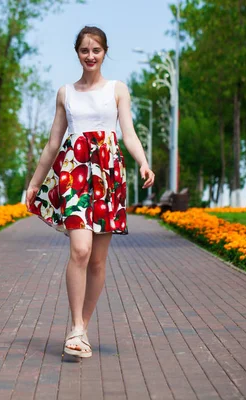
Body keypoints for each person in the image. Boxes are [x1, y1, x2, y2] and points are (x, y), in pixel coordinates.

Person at [26, 26, 154, 358]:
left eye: (96, 50)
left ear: (104, 52)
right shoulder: (65, 93)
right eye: (85, 50)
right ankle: (75, 327)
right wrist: (35, 183)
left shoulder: (117, 89)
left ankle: (81, 327)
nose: (90, 55)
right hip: (75, 173)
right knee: (80, 250)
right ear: (77, 53)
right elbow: (53, 142)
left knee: (98, 260)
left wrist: (142, 162)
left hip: (108, 176)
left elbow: (128, 133)